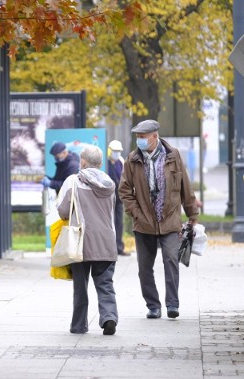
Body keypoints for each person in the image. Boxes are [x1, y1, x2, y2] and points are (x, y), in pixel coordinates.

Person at [119, 119, 199, 320]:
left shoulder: (173, 156)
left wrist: (192, 214)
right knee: (144, 268)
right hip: (143, 222)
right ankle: (153, 305)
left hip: (169, 220)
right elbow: (124, 191)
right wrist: (136, 213)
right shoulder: (132, 159)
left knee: (171, 260)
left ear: (155, 137)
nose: (140, 141)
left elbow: (185, 187)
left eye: (143, 137)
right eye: (138, 137)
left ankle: (172, 304)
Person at [57, 145, 119, 336]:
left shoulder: (73, 181)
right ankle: (109, 317)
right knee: (105, 284)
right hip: (106, 241)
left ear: (82, 162)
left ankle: (79, 325)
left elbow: (63, 211)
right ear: (100, 163)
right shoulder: (109, 183)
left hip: (81, 242)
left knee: (80, 286)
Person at [106, 139, 129, 256]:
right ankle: (110, 248)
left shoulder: (121, 162)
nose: (117, 153)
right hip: (108, 198)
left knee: (119, 223)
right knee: (109, 223)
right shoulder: (105, 163)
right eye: (115, 151)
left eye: (119, 151)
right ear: (110, 151)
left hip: (119, 197)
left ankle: (119, 247)